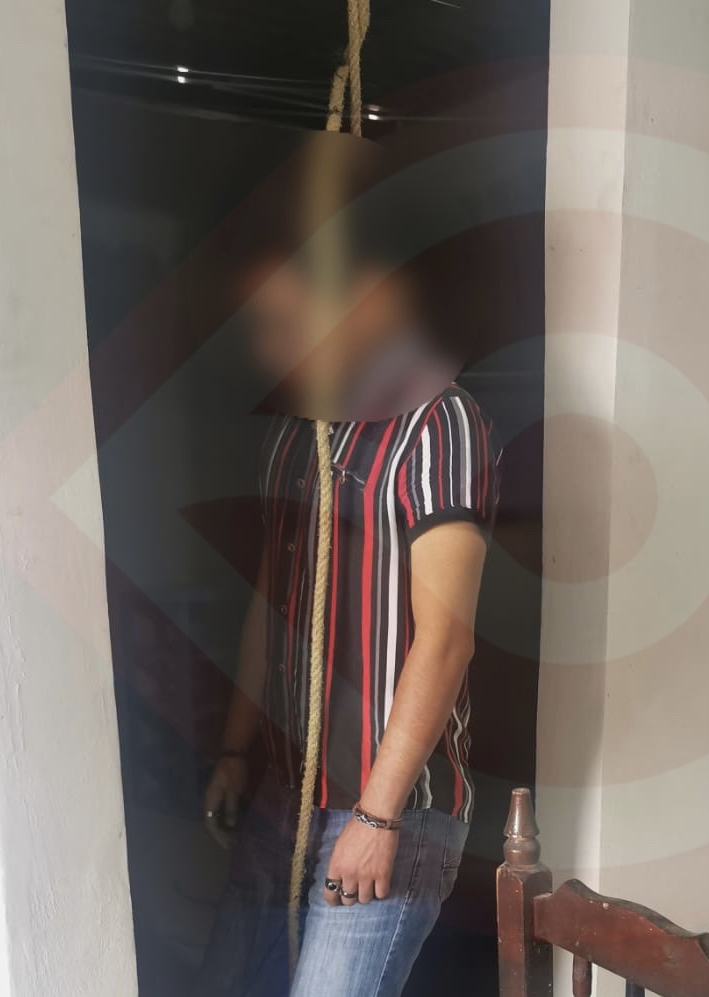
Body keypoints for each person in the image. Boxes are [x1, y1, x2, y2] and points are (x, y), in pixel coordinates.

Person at [193, 205, 501, 996]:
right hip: (284, 793)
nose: (276, 345)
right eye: (265, 326)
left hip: (393, 805)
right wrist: (235, 750)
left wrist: (376, 815)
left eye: (291, 320)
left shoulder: (439, 421)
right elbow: (271, 603)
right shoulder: (294, 432)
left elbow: (445, 639)